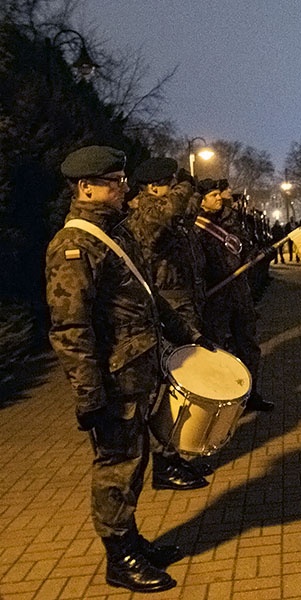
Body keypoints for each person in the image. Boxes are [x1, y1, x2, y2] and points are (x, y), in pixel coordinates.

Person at [45, 146, 213, 592]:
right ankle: (119, 558)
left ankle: (133, 540)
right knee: (116, 468)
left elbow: (147, 294)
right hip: (113, 382)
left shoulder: (115, 233)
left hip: (136, 372)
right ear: (86, 187)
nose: (124, 188)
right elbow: (70, 327)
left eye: (122, 180)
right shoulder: (74, 245)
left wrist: (187, 333)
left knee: (135, 461)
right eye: (114, 181)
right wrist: (88, 395)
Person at [130, 157, 213, 488]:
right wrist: (186, 184)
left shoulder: (169, 215)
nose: (179, 190)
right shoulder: (143, 217)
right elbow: (172, 208)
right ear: (153, 188)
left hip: (180, 313)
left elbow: (186, 210)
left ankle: (173, 455)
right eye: (171, 182)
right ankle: (165, 464)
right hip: (162, 316)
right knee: (163, 392)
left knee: (178, 388)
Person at [195, 179, 273, 411]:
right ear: (202, 200)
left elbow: (244, 248)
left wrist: (258, 256)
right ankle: (222, 399)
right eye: (213, 195)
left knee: (248, 345)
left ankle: (251, 394)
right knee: (218, 350)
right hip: (216, 299)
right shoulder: (196, 228)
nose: (219, 198)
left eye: (219, 194)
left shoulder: (231, 221)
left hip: (240, 293)